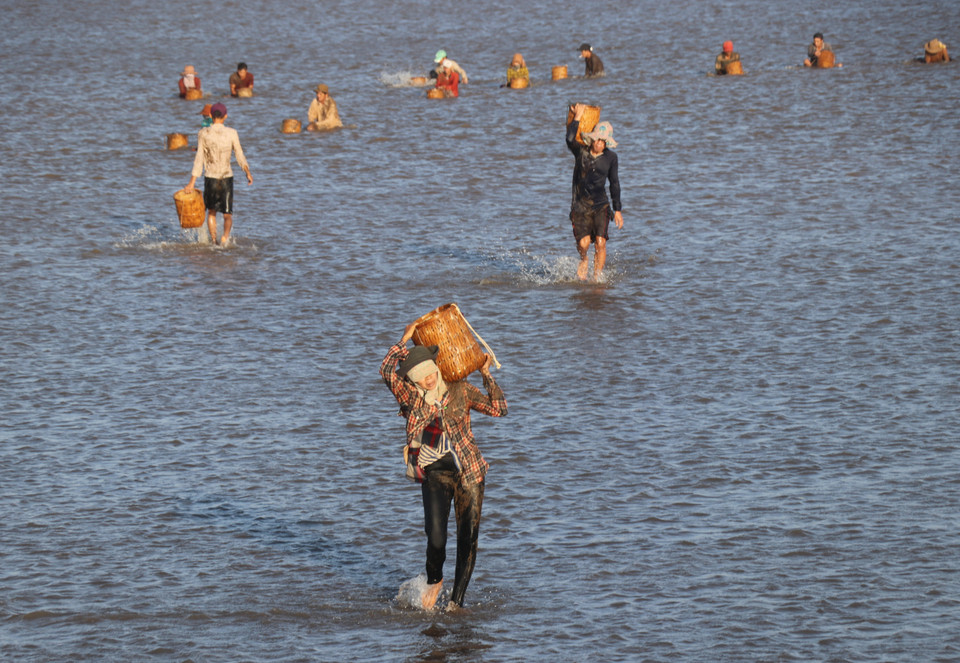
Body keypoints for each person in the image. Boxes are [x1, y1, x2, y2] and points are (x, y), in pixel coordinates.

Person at [380, 323, 507, 611]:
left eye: (430, 372)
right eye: (420, 376)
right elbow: (387, 369)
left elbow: (499, 409)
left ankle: (456, 603)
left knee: (468, 539)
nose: (427, 379)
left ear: (436, 368)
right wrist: (405, 338)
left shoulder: (460, 389)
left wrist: (486, 374)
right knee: (436, 536)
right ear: (413, 379)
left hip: (470, 471)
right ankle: (435, 578)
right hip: (435, 473)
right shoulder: (410, 397)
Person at [566, 103, 623, 281]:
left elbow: (614, 183)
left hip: (601, 206)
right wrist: (577, 117)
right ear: (592, 139)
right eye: (597, 139)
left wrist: (618, 209)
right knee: (583, 244)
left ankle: (596, 278)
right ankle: (584, 259)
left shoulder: (611, 158)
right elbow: (569, 139)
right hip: (580, 206)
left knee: (600, 242)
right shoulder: (581, 152)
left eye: (603, 141)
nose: (599, 143)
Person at [184, 103, 253, 246]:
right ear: (225, 116)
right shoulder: (232, 132)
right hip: (226, 177)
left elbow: (199, 159)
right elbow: (239, 154)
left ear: (210, 116)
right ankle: (224, 240)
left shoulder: (203, 133)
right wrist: (247, 172)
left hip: (211, 177)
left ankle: (214, 242)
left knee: (212, 213)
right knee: (228, 214)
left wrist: (192, 182)